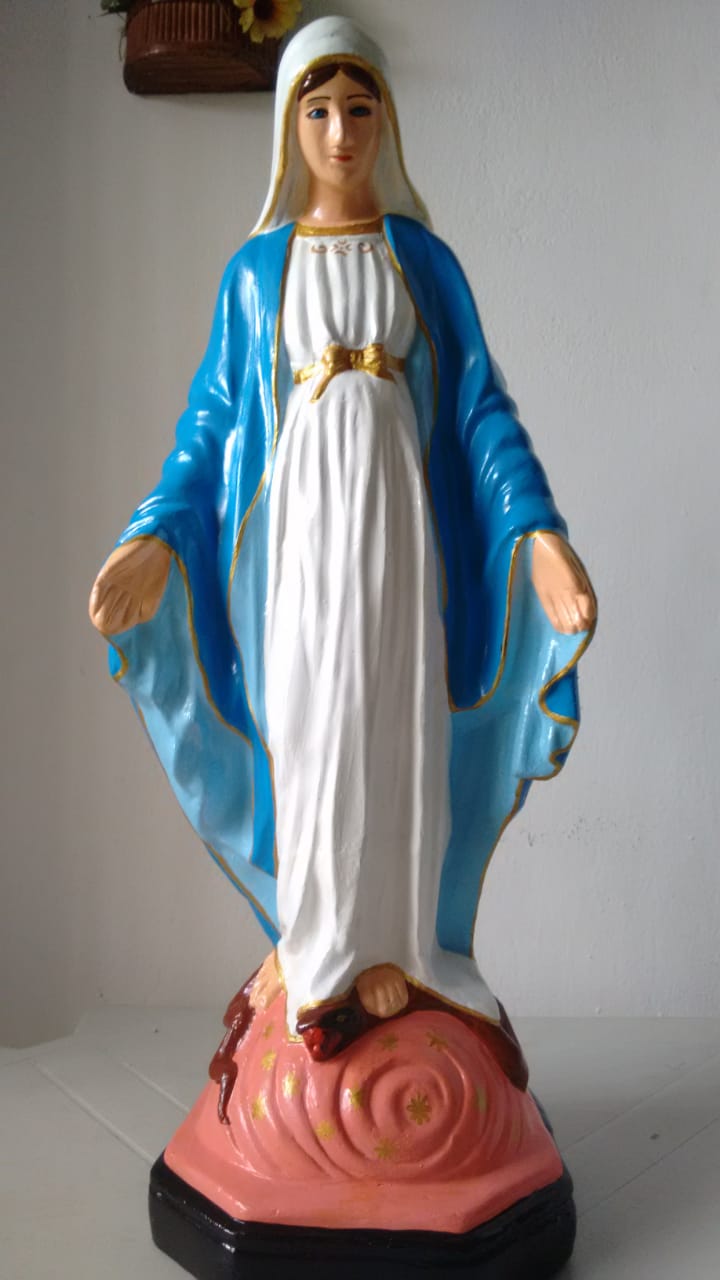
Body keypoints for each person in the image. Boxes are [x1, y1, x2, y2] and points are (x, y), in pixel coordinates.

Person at [90, 16, 596, 1042]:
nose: (339, 133)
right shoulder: (256, 271)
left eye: (358, 109)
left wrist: (536, 532)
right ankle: (316, 940)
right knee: (315, 720)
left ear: (386, 121)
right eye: (317, 111)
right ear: (289, 125)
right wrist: (154, 535)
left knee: (394, 717)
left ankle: (396, 945)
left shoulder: (424, 262)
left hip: (401, 534)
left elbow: (480, 414)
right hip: (298, 542)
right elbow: (211, 427)